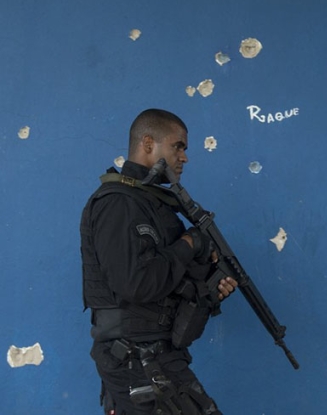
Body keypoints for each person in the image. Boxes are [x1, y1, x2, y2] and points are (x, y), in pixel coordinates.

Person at [80, 109, 238, 414]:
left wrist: (208, 289)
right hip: (134, 359)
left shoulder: (156, 205)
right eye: (177, 146)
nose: (184, 157)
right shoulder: (118, 203)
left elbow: (169, 281)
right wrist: (190, 243)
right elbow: (136, 284)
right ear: (148, 143)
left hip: (157, 357)